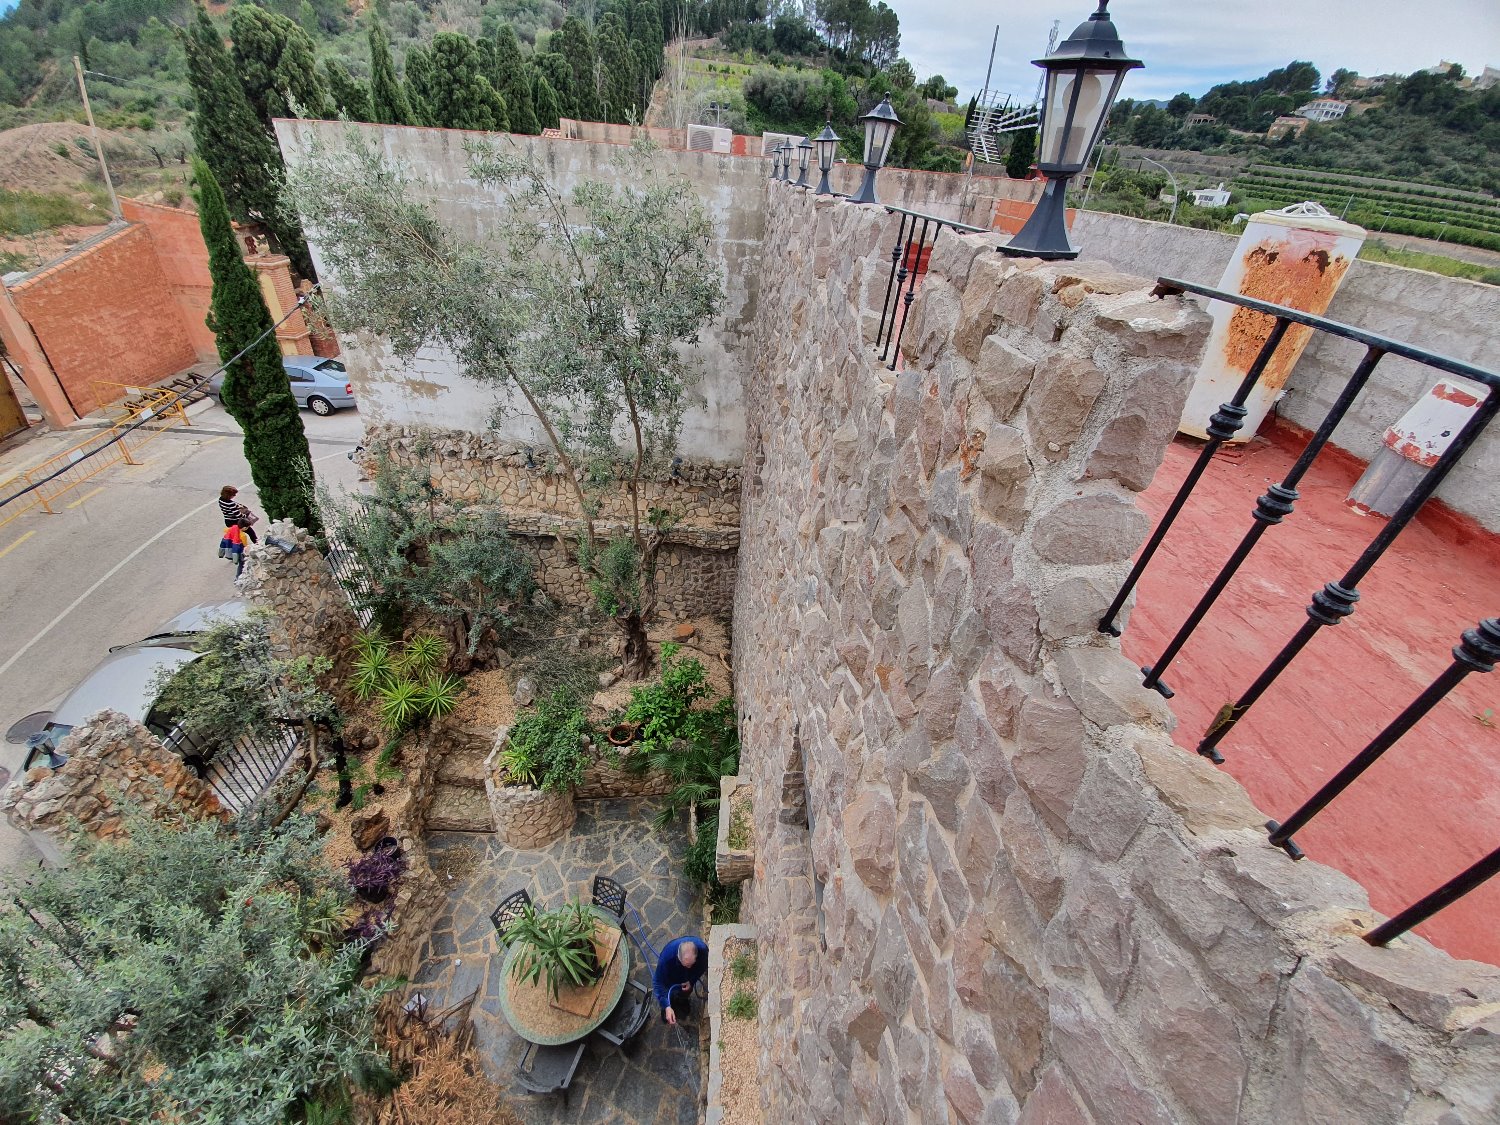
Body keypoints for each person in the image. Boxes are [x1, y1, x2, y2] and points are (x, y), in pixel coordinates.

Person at [652, 935, 708, 1025]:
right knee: (668, 991)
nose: (689, 967)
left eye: (691, 964)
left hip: (687, 979)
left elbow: (702, 967)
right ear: (678, 957)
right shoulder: (666, 959)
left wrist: (691, 980)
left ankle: (682, 1000)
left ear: (696, 956)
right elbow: (658, 983)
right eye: (686, 964)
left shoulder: (703, 950)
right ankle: (668, 1006)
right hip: (671, 976)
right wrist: (666, 1006)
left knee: (686, 990)